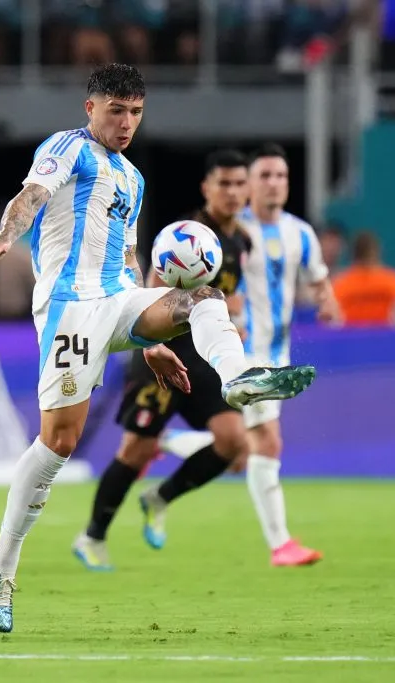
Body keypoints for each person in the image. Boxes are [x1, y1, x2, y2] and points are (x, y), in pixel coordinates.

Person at [0, 65, 318, 633]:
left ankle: (239, 373)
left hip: (119, 300)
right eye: (115, 111)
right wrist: (7, 237)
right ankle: (1, 562)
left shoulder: (131, 179)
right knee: (57, 444)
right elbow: (31, 196)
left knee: (201, 295)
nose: (126, 123)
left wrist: (147, 337)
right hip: (70, 311)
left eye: (135, 113)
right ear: (90, 108)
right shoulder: (67, 149)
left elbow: (129, 262)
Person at [72, 149, 253, 570]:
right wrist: (153, 343)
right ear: (206, 187)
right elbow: (153, 291)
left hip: (203, 357)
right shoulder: (188, 235)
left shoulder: (240, 241)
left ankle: (160, 498)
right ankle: (92, 536)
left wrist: (235, 320)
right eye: (223, 183)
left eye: (239, 184)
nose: (232, 192)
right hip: (164, 352)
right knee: (137, 450)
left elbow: (229, 293)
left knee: (233, 441)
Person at [238, 143, 337, 566]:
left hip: (276, 353)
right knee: (267, 442)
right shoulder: (232, 231)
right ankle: (280, 544)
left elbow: (318, 278)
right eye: (266, 176)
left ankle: (165, 443)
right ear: (249, 184)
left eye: (281, 175)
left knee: (237, 448)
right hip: (237, 351)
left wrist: (328, 301)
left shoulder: (300, 232)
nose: (275, 183)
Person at [332, 230, 395, 327]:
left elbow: (333, 319)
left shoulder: (340, 283)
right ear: (377, 251)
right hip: (388, 339)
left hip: (351, 339)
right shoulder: (394, 281)